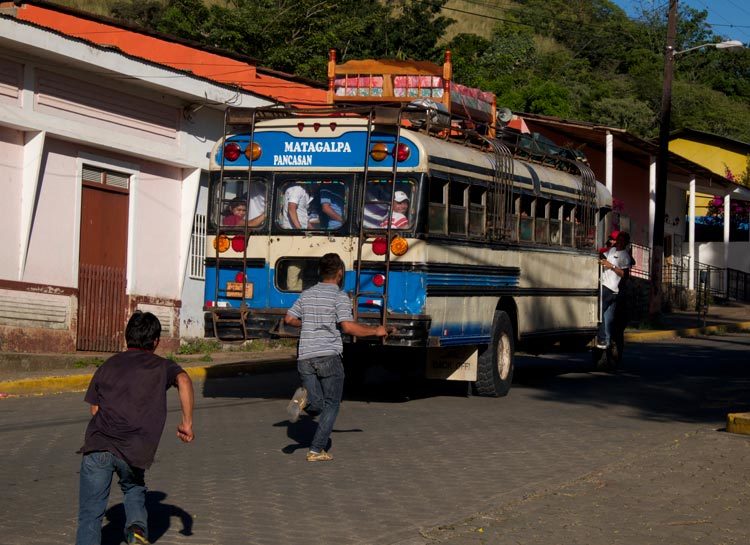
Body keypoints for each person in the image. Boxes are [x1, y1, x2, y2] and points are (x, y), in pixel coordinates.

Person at [75, 311, 195, 545]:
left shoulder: (107, 365)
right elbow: (184, 380)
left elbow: (95, 410)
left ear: (126, 337)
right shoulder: (162, 366)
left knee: (90, 515)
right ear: (156, 341)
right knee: (133, 487)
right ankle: (136, 529)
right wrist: (187, 423)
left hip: (98, 446)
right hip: (134, 449)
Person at [283, 253, 389, 462]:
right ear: (340, 273)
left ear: (320, 272)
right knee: (331, 404)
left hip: (305, 356)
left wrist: (307, 325)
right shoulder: (339, 296)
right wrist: (376, 331)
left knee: (317, 404)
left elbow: (289, 318)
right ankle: (316, 450)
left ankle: (303, 402)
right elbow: (348, 327)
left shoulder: (307, 294)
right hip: (328, 357)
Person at [596, 231, 633, 350]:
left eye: (622, 240)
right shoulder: (612, 250)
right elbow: (603, 257)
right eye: (618, 240)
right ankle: (606, 342)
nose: (619, 242)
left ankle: (602, 339)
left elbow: (624, 274)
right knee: (607, 318)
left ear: (626, 243)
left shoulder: (625, 256)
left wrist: (611, 266)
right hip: (605, 285)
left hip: (611, 288)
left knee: (598, 309)